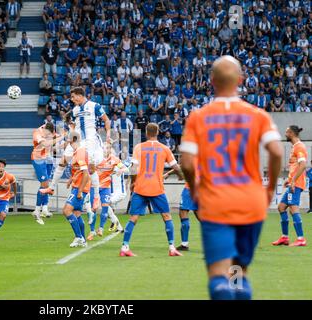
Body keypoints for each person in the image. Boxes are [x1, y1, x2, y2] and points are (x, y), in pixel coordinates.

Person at [180, 56, 283, 300]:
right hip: (251, 203)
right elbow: (277, 151)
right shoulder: (258, 115)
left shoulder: (198, 117)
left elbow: (186, 162)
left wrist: (195, 189)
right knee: (238, 271)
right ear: (241, 80)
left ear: (212, 81)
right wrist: (270, 188)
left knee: (218, 275)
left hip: (216, 203)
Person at [41, 87, 111, 212]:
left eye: (73, 97)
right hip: (77, 139)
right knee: (62, 161)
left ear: (80, 95)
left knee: (90, 167)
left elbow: (106, 120)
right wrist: (71, 130)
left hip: (90, 140)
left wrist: (109, 134)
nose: (72, 99)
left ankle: (96, 197)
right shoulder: (75, 110)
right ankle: (51, 188)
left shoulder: (94, 106)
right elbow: (70, 121)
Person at [120, 123, 184, 257]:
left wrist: (133, 182)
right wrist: (180, 176)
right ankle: (172, 248)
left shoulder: (139, 147)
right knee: (167, 216)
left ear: (146, 133)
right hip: (157, 188)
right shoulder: (164, 148)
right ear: (158, 132)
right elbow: (176, 167)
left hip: (141, 187)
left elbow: (133, 168)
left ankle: (125, 247)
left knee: (133, 218)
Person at [272, 126, 308, 247]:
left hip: (296, 184)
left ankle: (301, 239)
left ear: (291, 133)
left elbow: (303, 165)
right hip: (292, 183)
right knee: (281, 207)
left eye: (287, 132)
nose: (285, 134)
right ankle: (285, 238)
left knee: (293, 209)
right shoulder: (295, 147)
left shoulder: (299, 146)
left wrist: (293, 181)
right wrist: (289, 180)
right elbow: (296, 167)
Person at [87, 143, 125, 241]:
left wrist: (122, 170)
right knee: (93, 209)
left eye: (107, 148)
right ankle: (92, 231)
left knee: (105, 207)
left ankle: (101, 228)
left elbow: (125, 167)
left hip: (105, 187)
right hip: (94, 187)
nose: (105, 150)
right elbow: (88, 170)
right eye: (104, 148)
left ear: (110, 149)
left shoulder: (114, 159)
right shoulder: (96, 159)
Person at [31, 122, 65, 223]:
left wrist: (65, 137)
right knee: (44, 184)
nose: (48, 136)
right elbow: (45, 144)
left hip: (47, 159)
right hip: (38, 159)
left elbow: (56, 141)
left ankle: (44, 208)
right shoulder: (37, 133)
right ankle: (37, 210)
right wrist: (62, 137)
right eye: (47, 134)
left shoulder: (51, 131)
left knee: (46, 186)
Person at [62, 131, 90, 248]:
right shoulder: (77, 152)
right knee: (77, 213)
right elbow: (79, 171)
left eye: (68, 138)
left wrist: (79, 191)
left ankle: (78, 237)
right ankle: (82, 239)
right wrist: (71, 179)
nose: (66, 140)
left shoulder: (80, 152)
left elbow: (86, 174)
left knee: (66, 210)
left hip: (80, 188)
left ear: (72, 139)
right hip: (77, 186)